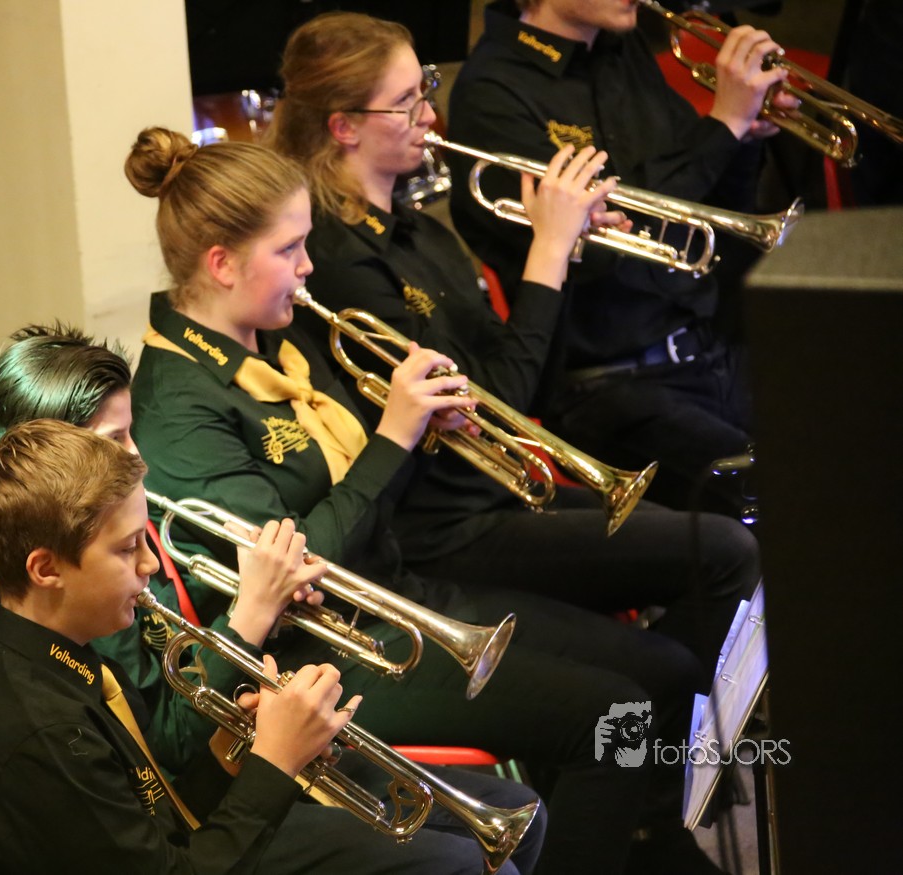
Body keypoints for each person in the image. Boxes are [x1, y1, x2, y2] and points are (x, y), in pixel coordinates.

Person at [125, 125, 729, 874]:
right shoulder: (176, 405)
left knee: (656, 675)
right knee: (611, 715)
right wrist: (396, 434)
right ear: (220, 263)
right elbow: (291, 567)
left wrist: (429, 423)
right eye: (289, 250)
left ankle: (646, 843)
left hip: (399, 595)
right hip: (321, 659)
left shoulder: (276, 335)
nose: (309, 267)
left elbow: (362, 491)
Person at [268, 11, 759, 670]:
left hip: (502, 497)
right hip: (445, 530)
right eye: (406, 101)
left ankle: (679, 710)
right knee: (721, 562)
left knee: (726, 544)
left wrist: (566, 252)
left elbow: (533, 387)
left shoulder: (423, 233)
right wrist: (547, 251)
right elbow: (493, 405)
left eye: (426, 88)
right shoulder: (337, 259)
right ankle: (669, 718)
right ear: (344, 127)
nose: (429, 114)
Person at [0, 324, 549, 875]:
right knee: (460, 861)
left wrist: (270, 612)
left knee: (517, 816)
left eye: (131, 433)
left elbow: (183, 673)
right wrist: (251, 613)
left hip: (226, 762)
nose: (139, 458)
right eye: (115, 440)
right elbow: (164, 755)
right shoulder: (78, 602)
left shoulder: (120, 544)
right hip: (206, 812)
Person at [0, 419, 361, 873]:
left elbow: (153, 824)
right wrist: (275, 762)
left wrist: (229, 755)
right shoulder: (51, 734)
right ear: (47, 569)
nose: (151, 563)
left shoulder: (53, 656)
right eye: (128, 548)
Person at [447, 0, 797, 517]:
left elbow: (712, 212)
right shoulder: (492, 94)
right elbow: (602, 256)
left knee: (858, 433)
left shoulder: (622, 49)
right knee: (785, 497)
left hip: (704, 349)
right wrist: (723, 124)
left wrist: (745, 136)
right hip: (607, 387)